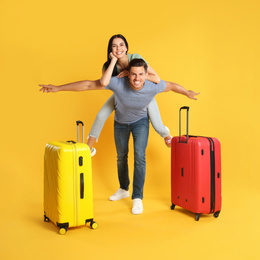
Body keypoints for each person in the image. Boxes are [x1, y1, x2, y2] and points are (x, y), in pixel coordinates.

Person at [39, 56, 200, 215]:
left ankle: (137, 197)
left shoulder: (153, 85)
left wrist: (187, 92)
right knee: (121, 156)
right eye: (133, 74)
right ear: (127, 74)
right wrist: (58, 87)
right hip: (121, 123)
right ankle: (124, 188)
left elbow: (171, 86)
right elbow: (88, 84)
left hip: (141, 122)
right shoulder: (117, 82)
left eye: (141, 74)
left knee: (139, 156)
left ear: (147, 75)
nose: (137, 79)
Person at [87, 34, 172, 157]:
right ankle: (88, 149)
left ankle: (166, 135)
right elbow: (104, 83)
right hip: (123, 95)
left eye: (121, 45)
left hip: (143, 94)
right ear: (110, 50)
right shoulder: (108, 66)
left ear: (126, 47)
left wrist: (129, 73)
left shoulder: (135, 58)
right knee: (101, 115)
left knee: (158, 126)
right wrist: (114, 61)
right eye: (114, 46)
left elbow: (157, 78)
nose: (118, 48)